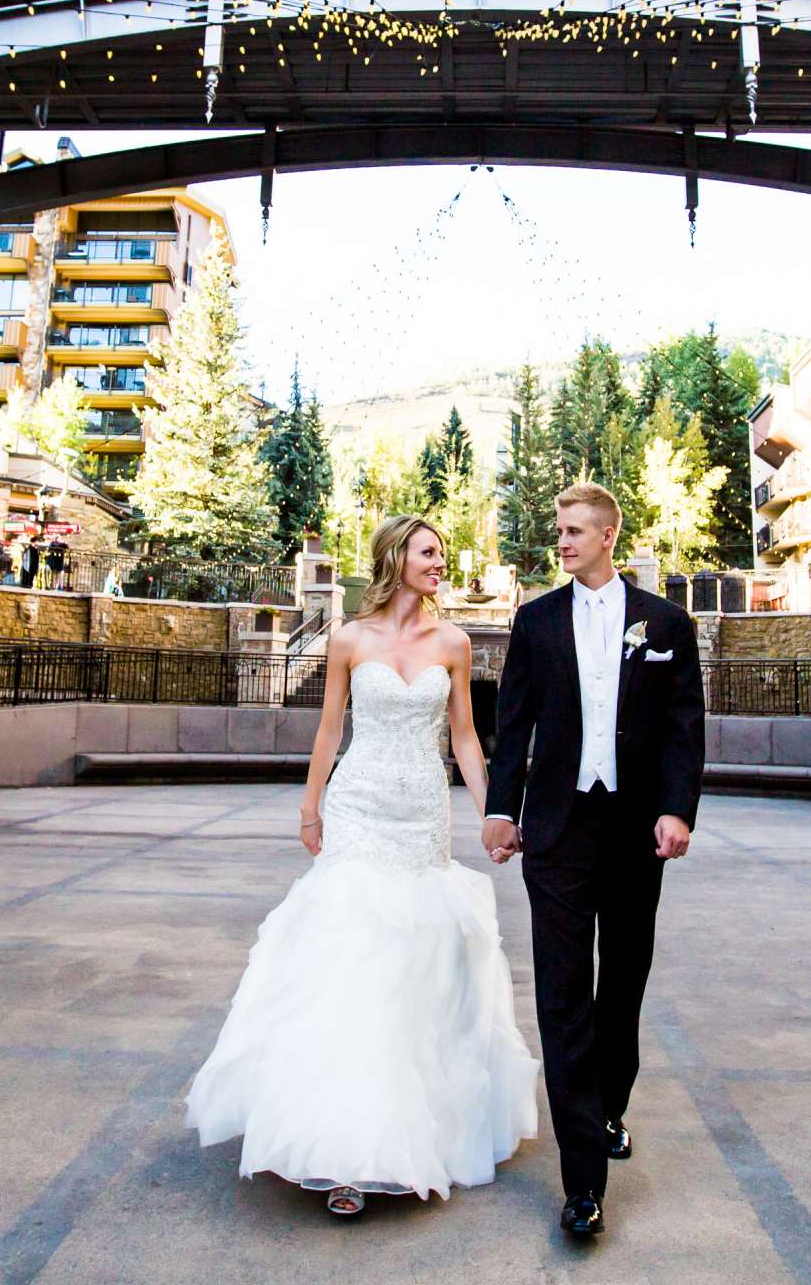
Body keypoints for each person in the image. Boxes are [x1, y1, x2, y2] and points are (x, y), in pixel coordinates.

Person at [185, 515, 539, 1216]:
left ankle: (420, 1131)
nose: (442, 562)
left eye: (442, 553)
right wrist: (310, 809)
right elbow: (328, 730)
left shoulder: (455, 642)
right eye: (430, 552)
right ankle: (342, 1150)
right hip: (359, 809)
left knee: (419, 960)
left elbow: (465, 738)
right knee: (354, 957)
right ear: (396, 558)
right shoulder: (350, 639)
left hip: (421, 818)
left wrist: (491, 813)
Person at [481, 481, 706, 1239]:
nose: (564, 542)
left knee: (624, 985)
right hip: (559, 830)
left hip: (639, 829)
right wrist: (499, 810)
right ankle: (583, 1184)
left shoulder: (666, 623)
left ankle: (610, 1107)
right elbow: (514, 726)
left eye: (577, 531)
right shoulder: (536, 621)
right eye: (559, 532)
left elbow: (683, 726)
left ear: (610, 535)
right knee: (562, 995)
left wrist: (676, 809)